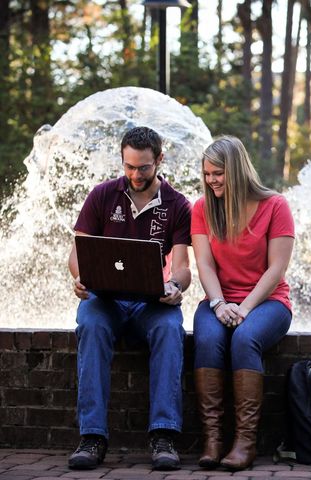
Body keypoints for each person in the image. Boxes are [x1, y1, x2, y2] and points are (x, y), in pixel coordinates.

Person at [67, 126, 192, 471]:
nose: (136, 175)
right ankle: (92, 437)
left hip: (152, 303)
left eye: (144, 167)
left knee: (170, 330)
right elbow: (77, 252)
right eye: (129, 166)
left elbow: (182, 268)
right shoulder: (102, 195)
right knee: (90, 324)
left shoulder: (178, 205)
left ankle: (164, 435)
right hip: (105, 300)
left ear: (159, 160)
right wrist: (80, 278)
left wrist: (175, 287)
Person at [191, 135, 295, 471]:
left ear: (236, 170)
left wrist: (245, 308)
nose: (211, 181)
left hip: (268, 302)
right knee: (206, 339)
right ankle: (212, 440)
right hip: (219, 299)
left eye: (218, 173)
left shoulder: (275, 206)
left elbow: (277, 269)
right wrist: (219, 303)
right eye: (207, 174)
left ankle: (245, 443)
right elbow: (204, 264)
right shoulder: (202, 208)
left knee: (245, 338)